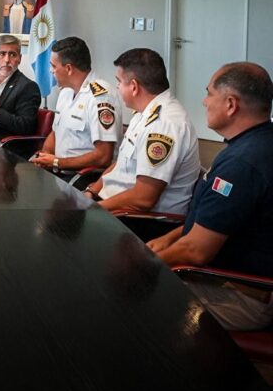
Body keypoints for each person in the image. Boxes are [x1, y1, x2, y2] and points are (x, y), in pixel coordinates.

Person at [145, 63, 273, 330]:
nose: (204, 101)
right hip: (226, 277)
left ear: (231, 104)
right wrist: (170, 239)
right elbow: (214, 222)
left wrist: (145, 266)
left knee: (133, 300)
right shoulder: (256, 143)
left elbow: (196, 251)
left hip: (240, 293)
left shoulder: (241, 164)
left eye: (209, 93)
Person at [85, 48, 200, 215]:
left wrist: (91, 209)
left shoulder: (164, 124)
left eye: (119, 82)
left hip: (139, 219)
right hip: (113, 203)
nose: (117, 87)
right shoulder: (144, 113)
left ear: (134, 86)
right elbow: (121, 165)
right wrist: (91, 192)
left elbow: (143, 199)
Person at [30, 36, 121, 177]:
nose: (50, 70)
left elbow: (104, 156)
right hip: (58, 171)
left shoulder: (101, 97)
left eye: (53, 66)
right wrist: (45, 155)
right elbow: (55, 133)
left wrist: (57, 162)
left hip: (83, 178)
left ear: (68, 68)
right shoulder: (65, 92)